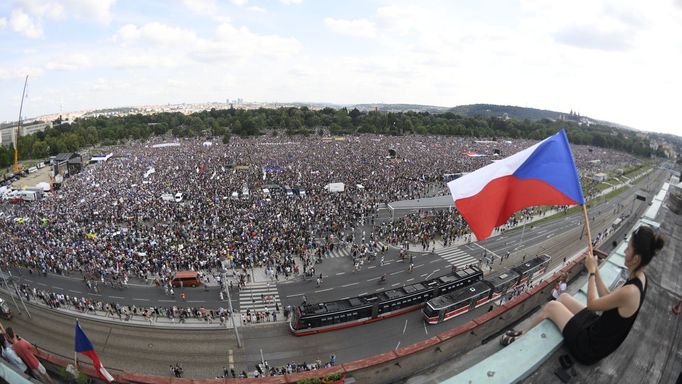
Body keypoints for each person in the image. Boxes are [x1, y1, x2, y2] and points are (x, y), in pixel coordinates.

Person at [501, 225, 664, 365]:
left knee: (552, 306)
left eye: (628, 248)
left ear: (635, 258)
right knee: (563, 297)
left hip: (590, 347)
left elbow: (593, 304)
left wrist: (591, 272)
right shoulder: (641, 278)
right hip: (598, 329)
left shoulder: (630, 292)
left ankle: (519, 339)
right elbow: (608, 297)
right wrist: (597, 269)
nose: (625, 250)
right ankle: (523, 334)